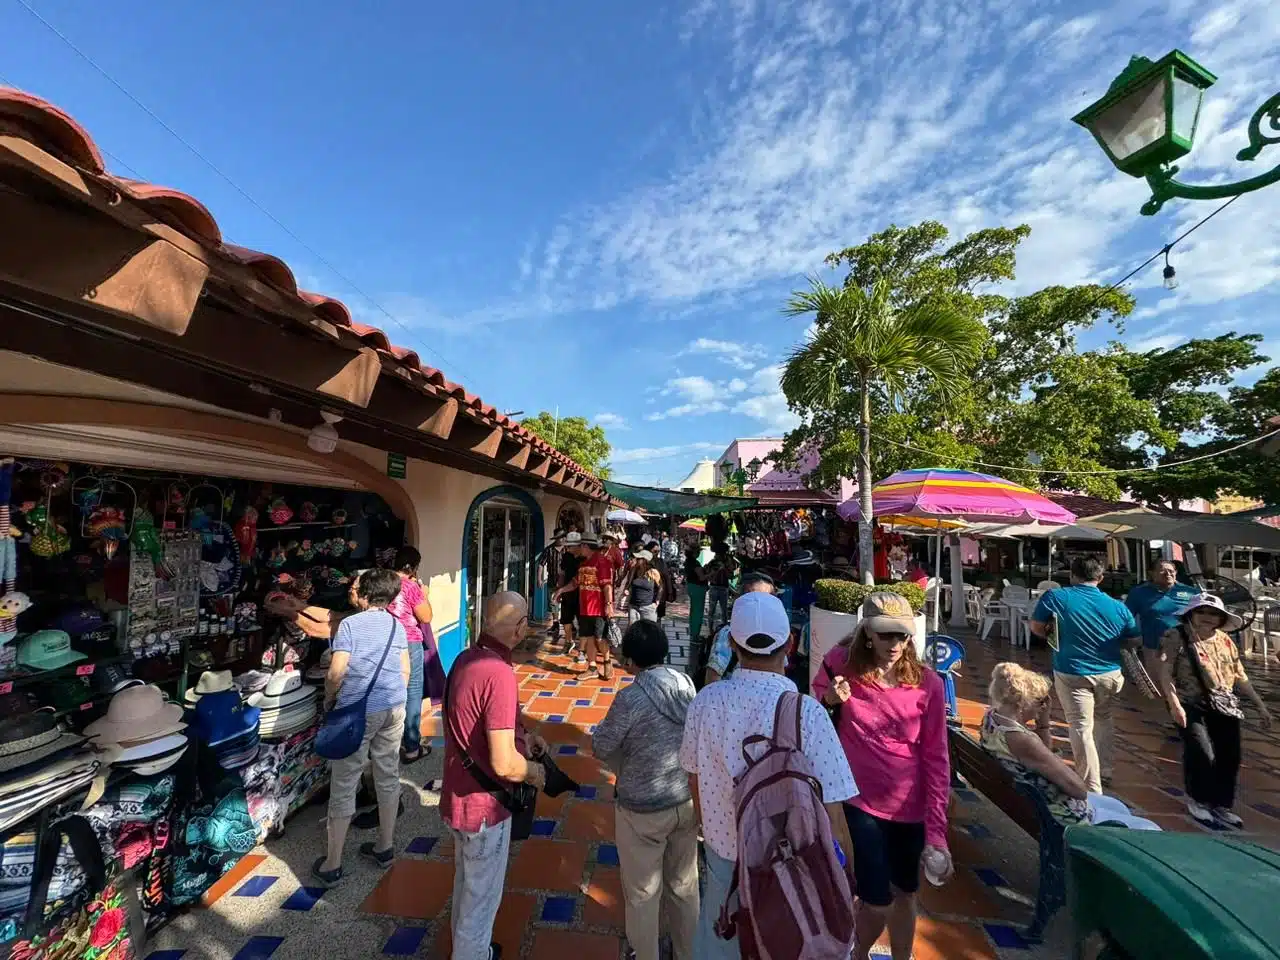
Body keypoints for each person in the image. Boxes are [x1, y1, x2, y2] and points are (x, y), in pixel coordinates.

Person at [680, 591, 857, 958]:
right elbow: (834, 811)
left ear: (731, 643)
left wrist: (707, 826)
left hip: (722, 858)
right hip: (793, 867)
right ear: (790, 644)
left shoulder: (705, 702)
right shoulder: (807, 713)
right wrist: (847, 876)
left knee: (720, 938)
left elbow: (693, 778)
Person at [811, 592, 952, 960]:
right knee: (877, 901)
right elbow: (812, 713)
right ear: (867, 632)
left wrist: (937, 835)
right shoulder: (839, 664)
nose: (894, 644)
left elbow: (937, 759)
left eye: (901, 636)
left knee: (906, 894)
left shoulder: (928, 685)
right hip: (858, 803)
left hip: (910, 807)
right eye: (885, 634)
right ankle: (856, 954)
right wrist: (829, 700)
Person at [442, 592, 548, 960]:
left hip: (458, 794)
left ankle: (473, 950)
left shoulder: (466, 659)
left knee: (467, 885)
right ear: (519, 630)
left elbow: (472, 723)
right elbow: (504, 764)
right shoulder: (500, 674)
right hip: (485, 806)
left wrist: (525, 737)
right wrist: (534, 773)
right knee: (481, 901)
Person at [592, 620, 699, 960]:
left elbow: (602, 745)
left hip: (642, 808)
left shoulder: (630, 699)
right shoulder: (685, 682)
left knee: (642, 891)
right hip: (685, 798)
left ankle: (645, 952)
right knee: (684, 885)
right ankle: (687, 951)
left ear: (630, 660)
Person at [314, 568, 411, 884]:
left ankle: (333, 862)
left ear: (366, 593)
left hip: (358, 711)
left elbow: (335, 672)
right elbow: (405, 671)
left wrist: (330, 700)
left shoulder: (350, 626)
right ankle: (385, 846)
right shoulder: (397, 626)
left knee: (345, 780)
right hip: (394, 706)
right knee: (387, 773)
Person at [1159, 594, 1272, 827]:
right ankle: (1198, 799)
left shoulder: (1225, 640)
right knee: (1201, 752)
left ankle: (1221, 804)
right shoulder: (1177, 636)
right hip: (1190, 702)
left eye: (1213, 614)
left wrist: (1260, 706)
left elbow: (1240, 675)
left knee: (1230, 756)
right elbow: (1165, 670)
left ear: (1221, 619)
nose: (1207, 618)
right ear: (1191, 614)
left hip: (1224, 703)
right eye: (1201, 612)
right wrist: (1173, 703)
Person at [1029, 556, 1140, 792]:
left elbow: (1036, 627)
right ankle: (1106, 769)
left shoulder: (1056, 597)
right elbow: (1133, 639)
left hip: (1073, 671)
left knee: (1081, 726)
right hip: (1110, 674)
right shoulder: (1119, 607)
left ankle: (1091, 787)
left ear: (1072, 575)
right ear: (1100, 578)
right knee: (1103, 719)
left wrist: (1053, 634)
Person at [980, 663, 1090, 822]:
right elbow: (1079, 790)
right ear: (1022, 701)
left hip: (1024, 804)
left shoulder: (991, 719)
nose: (1045, 706)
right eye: (1041, 700)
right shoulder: (1023, 740)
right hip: (1059, 815)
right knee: (1122, 812)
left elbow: (1043, 753)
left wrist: (1043, 723)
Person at [386, 546, 438, 764]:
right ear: (414, 566)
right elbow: (425, 616)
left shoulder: (382, 582)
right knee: (412, 692)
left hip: (384, 641)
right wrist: (425, 595)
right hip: (409, 642)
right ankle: (411, 747)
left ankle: (387, 743)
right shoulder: (410, 586)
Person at [554, 536, 616, 680]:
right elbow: (575, 583)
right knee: (588, 638)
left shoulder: (602, 561)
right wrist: (561, 590)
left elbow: (607, 586)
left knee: (599, 639)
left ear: (586, 546)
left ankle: (607, 661)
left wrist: (608, 605)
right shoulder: (583, 564)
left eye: (580, 546)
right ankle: (592, 667)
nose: (579, 549)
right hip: (585, 608)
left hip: (598, 609)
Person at [704, 572, 775, 686]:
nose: (759, 604)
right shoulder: (728, 634)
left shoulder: (778, 637)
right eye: (753, 598)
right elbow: (712, 680)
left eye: (766, 599)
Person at [1125, 561, 1200, 666]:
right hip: (1153, 649)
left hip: (1186, 648)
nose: (1168, 574)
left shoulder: (1191, 592)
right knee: (1155, 681)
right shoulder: (1138, 593)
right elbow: (1126, 619)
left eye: (1171, 571)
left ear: (1176, 572)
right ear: (1151, 573)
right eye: (1162, 571)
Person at [558, 532, 584, 659]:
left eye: (570, 546)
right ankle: (569, 641)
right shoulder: (566, 556)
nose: (568, 548)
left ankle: (583, 650)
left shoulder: (585, 558)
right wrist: (560, 589)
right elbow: (562, 573)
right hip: (567, 592)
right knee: (566, 619)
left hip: (582, 594)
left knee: (582, 622)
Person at [704, 542, 736, 630]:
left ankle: (723, 628)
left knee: (723, 611)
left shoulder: (727, 563)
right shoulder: (713, 563)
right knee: (712, 610)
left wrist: (724, 569)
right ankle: (711, 628)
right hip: (716, 587)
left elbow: (731, 575)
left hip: (722, 588)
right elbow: (707, 573)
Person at [626, 551, 663, 624]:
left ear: (645, 560)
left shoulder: (653, 572)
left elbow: (661, 587)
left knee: (648, 630)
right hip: (633, 606)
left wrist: (657, 600)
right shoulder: (634, 570)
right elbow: (629, 584)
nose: (636, 560)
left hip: (648, 607)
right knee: (633, 630)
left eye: (639, 558)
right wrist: (627, 590)